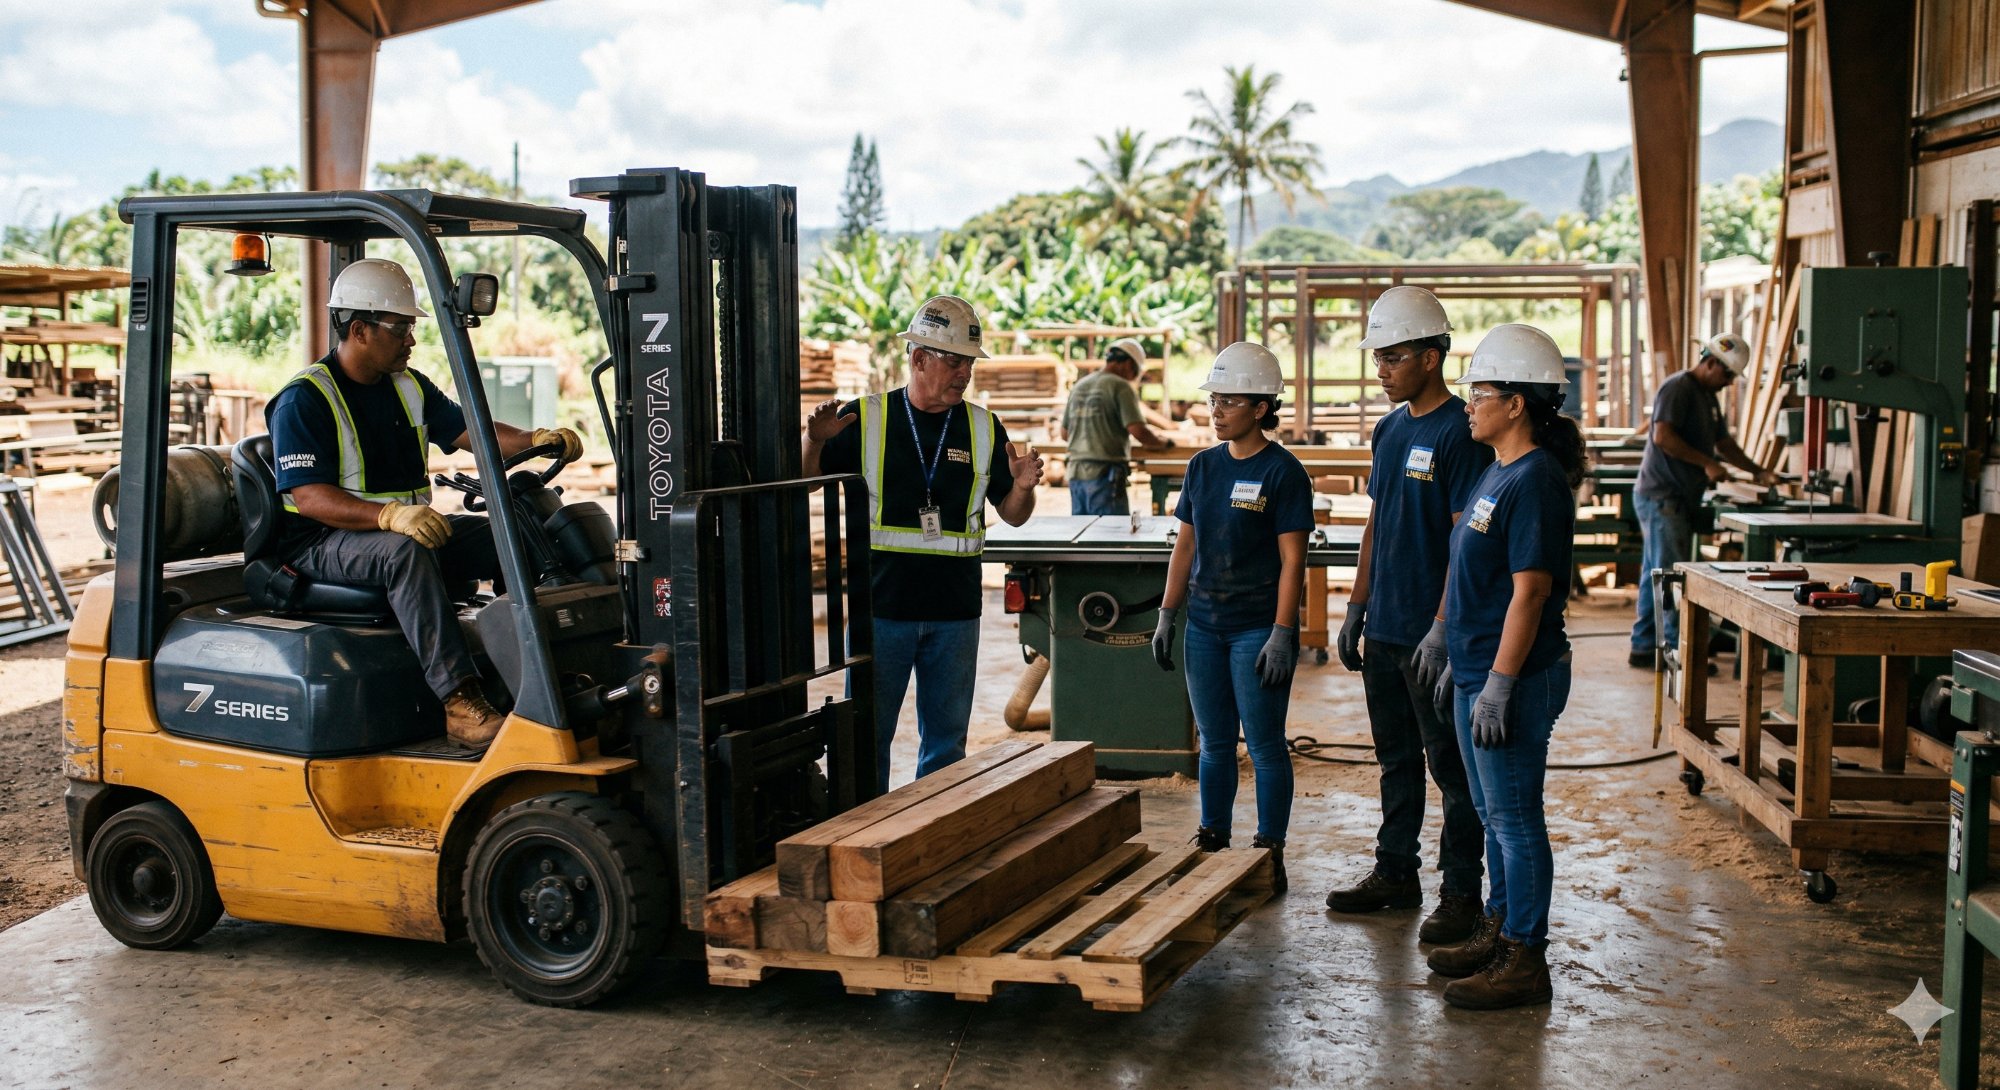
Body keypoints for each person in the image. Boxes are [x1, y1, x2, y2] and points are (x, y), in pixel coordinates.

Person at [266, 258, 583, 751]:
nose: (411, 340)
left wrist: (534, 438)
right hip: (321, 542)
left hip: (402, 528)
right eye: (401, 328)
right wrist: (389, 516)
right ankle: (461, 703)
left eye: (411, 328)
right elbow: (309, 498)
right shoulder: (305, 399)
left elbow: (470, 433)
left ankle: (536, 668)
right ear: (359, 329)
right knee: (404, 554)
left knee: (516, 528)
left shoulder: (407, 385)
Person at [803, 295, 1043, 786]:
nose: (964, 373)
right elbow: (806, 481)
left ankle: (933, 836)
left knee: (946, 745)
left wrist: (1021, 487)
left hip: (955, 615)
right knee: (867, 736)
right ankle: (864, 834)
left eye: (968, 363)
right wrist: (816, 442)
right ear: (918, 359)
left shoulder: (982, 426)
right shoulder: (864, 418)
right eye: (953, 360)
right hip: (882, 612)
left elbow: (1013, 517)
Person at [1415, 323, 1583, 1011]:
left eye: (1480, 392)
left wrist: (1502, 682)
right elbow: (1469, 566)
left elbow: (1531, 590)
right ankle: (1499, 930)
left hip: (1515, 674)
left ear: (1515, 404)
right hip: (1478, 664)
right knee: (1491, 811)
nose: (1468, 404)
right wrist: (1449, 638)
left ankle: (1525, 956)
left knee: (1514, 818)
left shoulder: (1536, 480)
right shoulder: (1497, 469)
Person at [1324, 286, 1491, 945]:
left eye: (1392, 357)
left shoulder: (1460, 434)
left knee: (1449, 767)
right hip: (1387, 626)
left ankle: (1459, 892)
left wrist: (1445, 628)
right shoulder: (1389, 430)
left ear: (1430, 356)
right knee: (1395, 759)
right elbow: (1377, 525)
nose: (1380, 369)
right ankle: (1396, 872)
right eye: (1377, 357)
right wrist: (1356, 605)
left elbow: (1464, 542)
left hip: (1431, 636)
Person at [1151, 341, 1312, 894]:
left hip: (1254, 630)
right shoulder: (1202, 467)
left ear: (1262, 408)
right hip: (1205, 628)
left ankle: (1269, 852)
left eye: (1229, 401)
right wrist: (1169, 614)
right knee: (1215, 743)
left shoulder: (1284, 474)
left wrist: (1282, 632)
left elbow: (1296, 561)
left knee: (1265, 743)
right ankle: (1212, 838)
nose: (1215, 410)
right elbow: (1185, 548)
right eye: (1214, 399)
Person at [1628, 332, 1778, 668]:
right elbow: (1662, 436)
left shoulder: (1708, 397)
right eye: (1726, 375)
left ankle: (1643, 646)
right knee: (1670, 576)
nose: (1728, 383)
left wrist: (1758, 472)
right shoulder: (1678, 388)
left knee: (1656, 573)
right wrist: (1706, 463)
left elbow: (1725, 444)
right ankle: (1678, 654)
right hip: (1662, 495)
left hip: (1674, 497)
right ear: (1711, 362)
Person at [1061, 337, 1168, 515]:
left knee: (1084, 535)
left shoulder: (1080, 386)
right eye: (1135, 371)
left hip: (1076, 473)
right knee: (1110, 537)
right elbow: (1138, 431)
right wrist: (1162, 443)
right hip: (1105, 476)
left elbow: (1065, 433)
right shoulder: (1120, 386)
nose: (1134, 377)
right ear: (1127, 363)